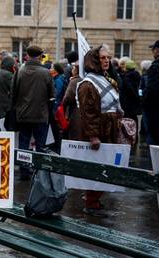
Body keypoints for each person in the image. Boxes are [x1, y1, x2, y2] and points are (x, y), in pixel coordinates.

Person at [77, 45, 123, 217]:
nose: (106, 61)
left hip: (109, 127)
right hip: (100, 130)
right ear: (94, 60)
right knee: (99, 166)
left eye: (108, 58)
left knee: (106, 165)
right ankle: (91, 202)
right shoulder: (88, 84)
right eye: (103, 58)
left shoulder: (104, 78)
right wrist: (93, 136)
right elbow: (88, 113)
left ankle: (93, 198)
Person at [13, 45, 55, 180]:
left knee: (23, 144)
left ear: (27, 55)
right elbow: (52, 96)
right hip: (41, 115)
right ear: (40, 56)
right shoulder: (45, 73)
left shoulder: (20, 71)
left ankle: (24, 171)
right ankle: (39, 172)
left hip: (23, 114)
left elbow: (13, 94)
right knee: (40, 146)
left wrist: (16, 110)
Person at [119, 59, 141, 141]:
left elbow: (129, 89)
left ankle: (129, 137)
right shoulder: (137, 75)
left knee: (127, 120)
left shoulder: (127, 77)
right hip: (134, 102)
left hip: (127, 103)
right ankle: (135, 136)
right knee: (134, 119)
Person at [62, 62, 82, 140]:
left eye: (74, 68)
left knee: (75, 135)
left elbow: (67, 98)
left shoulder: (74, 81)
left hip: (75, 111)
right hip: (86, 111)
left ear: (77, 70)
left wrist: (63, 107)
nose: (72, 69)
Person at [0, 55, 16, 121]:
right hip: (6, 101)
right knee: (6, 122)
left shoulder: (0, 72)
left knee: (1, 120)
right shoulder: (8, 74)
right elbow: (14, 88)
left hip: (0, 100)